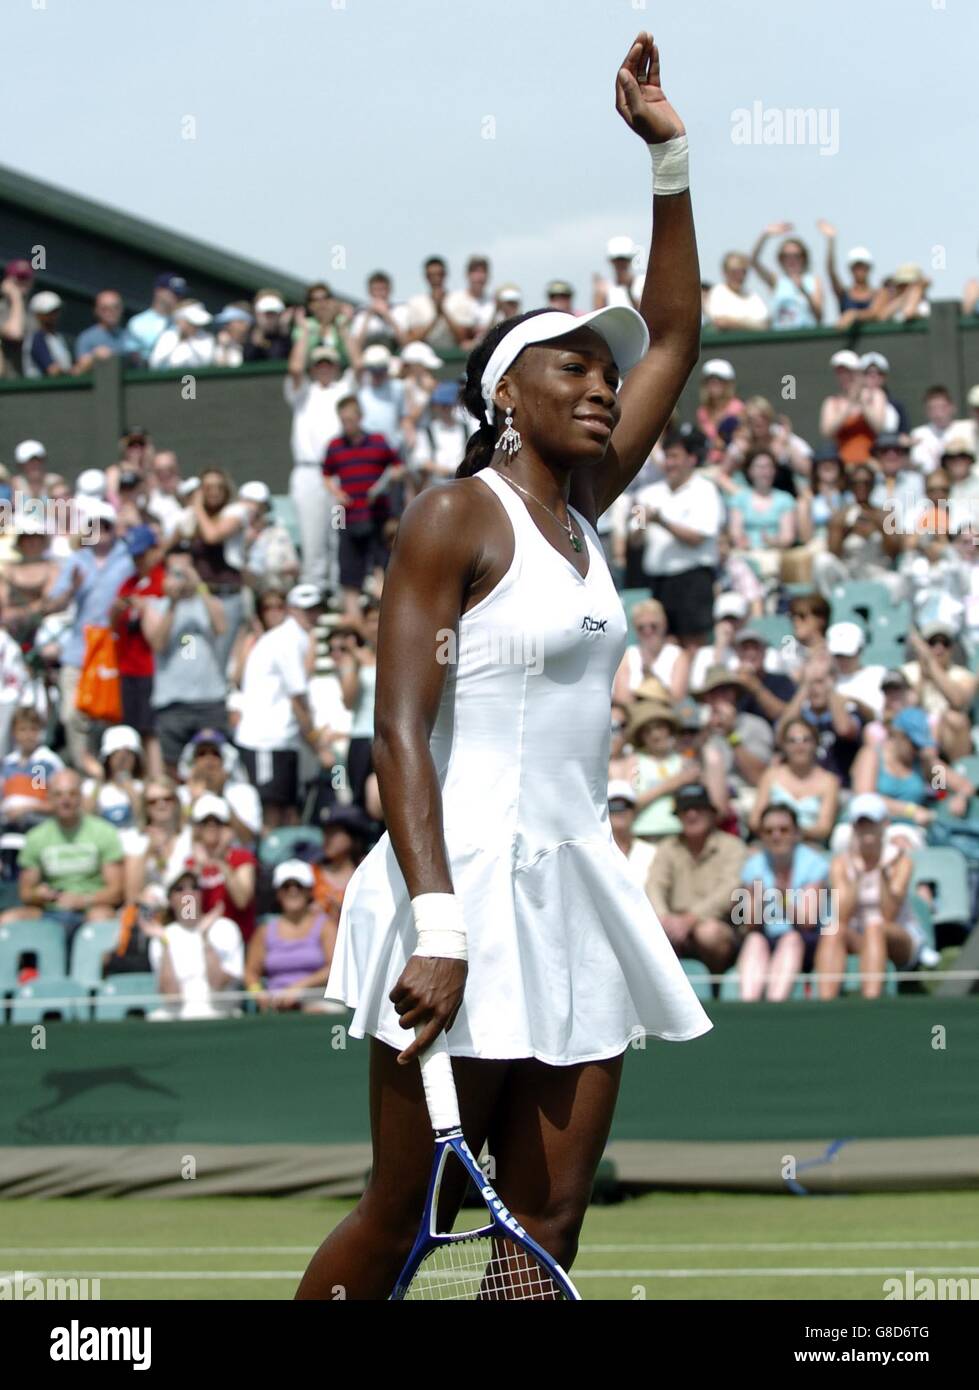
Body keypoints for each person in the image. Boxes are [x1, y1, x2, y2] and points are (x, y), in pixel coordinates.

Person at [297, 34, 709, 1300]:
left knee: (549, 1224)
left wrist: (668, 155)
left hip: (576, 885)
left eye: (604, 370)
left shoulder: (586, 513)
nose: (600, 386)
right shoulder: (449, 517)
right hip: (457, 887)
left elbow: (679, 330)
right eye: (570, 368)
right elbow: (400, 735)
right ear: (506, 393)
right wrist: (437, 922)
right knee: (403, 1218)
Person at [816, 793, 923, 1000]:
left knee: (875, 927)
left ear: (884, 824)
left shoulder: (901, 862)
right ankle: (825, 1005)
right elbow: (843, 916)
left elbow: (889, 914)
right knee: (832, 930)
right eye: (861, 824)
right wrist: (857, 873)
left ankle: (870, 1003)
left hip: (899, 938)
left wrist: (881, 871)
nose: (867, 830)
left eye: (871, 823)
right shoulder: (840, 863)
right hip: (859, 935)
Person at [235, 583, 322, 827]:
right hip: (266, 739)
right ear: (292, 610)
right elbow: (298, 699)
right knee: (271, 810)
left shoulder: (292, 638)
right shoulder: (287, 640)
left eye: (316, 609)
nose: (313, 615)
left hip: (279, 739)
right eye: (307, 610)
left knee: (285, 808)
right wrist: (317, 742)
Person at [634, 426, 723, 648]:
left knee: (694, 643)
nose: (669, 463)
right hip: (658, 583)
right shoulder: (645, 494)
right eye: (667, 457)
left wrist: (661, 521)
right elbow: (634, 541)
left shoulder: (706, 490)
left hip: (693, 580)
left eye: (675, 456)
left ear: (691, 459)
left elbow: (698, 538)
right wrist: (643, 523)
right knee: (664, 645)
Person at [142, 547, 228, 775]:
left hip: (209, 700)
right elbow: (157, 643)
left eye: (185, 570)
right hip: (173, 702)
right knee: (171, 771)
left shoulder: (208, 602)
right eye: (175, 572)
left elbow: (221, 627)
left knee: (213, 768)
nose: (180, 577)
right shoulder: (155, 607)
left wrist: (199, 585)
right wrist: (173, 603)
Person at [11, 769, 124, 942]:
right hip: (49, 910)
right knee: (9, 921)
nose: (66, 800)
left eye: (72, 794)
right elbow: (26, 892)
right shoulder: (36, 837)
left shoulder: (104, 832)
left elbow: (116, 891)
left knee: (102, 918)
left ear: (81, 797)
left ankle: (92, 968)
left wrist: (83, 900)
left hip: (90, 908)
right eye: (59, 794)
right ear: (49, 798)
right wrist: (39, 895)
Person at [646, 782, 744, 974]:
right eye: (685, 810)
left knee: (708, 933)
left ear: (711, 813)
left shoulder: (732, 847)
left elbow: (730, 890)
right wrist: (664, 917)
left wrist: (691, 919)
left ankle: (715, 989)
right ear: (678, 816)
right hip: (673, 927)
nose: (692, 815)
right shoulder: (667, 848)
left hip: (719, 927)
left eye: (698, 808)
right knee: (651, 932)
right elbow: (654, 885)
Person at [735, 804, 828, 1001]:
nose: (776, 836)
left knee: (790, 940)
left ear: (796, 833)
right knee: (754, 941)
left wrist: (782, 896)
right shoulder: (752, 866)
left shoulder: (814, 864)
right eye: (769, 831)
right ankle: (748, 1008)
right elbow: (750, 924)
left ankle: (775, 1007)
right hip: (767, 936)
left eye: (783, 830)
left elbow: (807, 922)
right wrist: (755, 901)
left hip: (804, 939)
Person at [284, 337, 355, 592]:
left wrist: (345, 330)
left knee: (339, 536)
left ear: (336, 367)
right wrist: (302, 332)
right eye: (319, 365)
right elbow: (294, 369)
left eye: (329, 364)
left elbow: (358, 365)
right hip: (308, 473)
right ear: (313, 368)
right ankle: (313, 595)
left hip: (338, 474)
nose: (324, 369)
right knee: (312, 538)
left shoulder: (344, 389)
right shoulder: (302, 392)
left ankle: (338, 594)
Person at [323, 397, 404, 620]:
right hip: (348, 515)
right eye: (343, 420)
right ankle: (354, 617)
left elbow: (397, 466)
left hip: (377, 514)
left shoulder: (378, 441)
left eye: (350, 419)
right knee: (349, 568)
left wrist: (384, 484)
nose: (347, 424)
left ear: (359, 418)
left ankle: (386, 615)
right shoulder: (335, 446)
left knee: (382, 563)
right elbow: (327, 475)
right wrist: (338, 494)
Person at [148, 863, 244, 1021]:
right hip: (177, 1019)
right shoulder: (162, 937)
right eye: (180, 889)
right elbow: (171, 996)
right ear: (170, 899)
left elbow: (218, 984)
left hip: (219, 1017)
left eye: (194, 887)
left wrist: (204, 937)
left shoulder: (226, 928)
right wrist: (165, 943)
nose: (188, 895)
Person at [244, 859, 337, 1011]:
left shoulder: (326, 926)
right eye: (286, 886)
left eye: (299, 886)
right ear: (278, 893)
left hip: (318, 1003)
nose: (293, 891)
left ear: (309, 891)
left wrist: (300, 987)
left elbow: (333, 968)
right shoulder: (264, 930)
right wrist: (259, 994)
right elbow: (251, 972)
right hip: (276, 1007)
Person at [110, 525, 166, 779]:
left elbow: (169, 632)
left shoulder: (162, 582)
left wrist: (144, 608)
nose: (138, 561)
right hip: (128, 666)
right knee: (131, 728)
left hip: (151, 668)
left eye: (142, 555)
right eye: (134, 556)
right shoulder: (128, 583)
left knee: (150, 729)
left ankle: (155, 778)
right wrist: (117, 609)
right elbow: (113, 626)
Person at [748, 718, 839, 846]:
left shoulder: (829, 781)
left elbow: (824, 828)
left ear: (816, 743)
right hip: (771, 843)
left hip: (810, 845)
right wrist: (778, 831)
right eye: (792, 741)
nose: (799, 746)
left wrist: (791, 832)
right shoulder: (771, 775)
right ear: (784, 745)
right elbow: (754, 821)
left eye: (805, 740)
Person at [334, 598, 379, 809]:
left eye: (379, 619)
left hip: (388, 736)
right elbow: (348, 701)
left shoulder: (399, 654)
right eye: (369, 620)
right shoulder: (354, 659)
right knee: (361, 802)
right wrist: (356, 662)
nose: (375, 626)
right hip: (362, 736)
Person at [611, 597, 686, 704]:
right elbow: (621, 697)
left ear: (664, 624)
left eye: (653, 626)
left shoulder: (677, 655)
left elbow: (677, 697)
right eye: (641, 627)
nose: (648, 631)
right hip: (634, 715)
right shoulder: (628, 655)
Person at [749, 225, 824, 329]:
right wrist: (765, 235)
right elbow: (753, 261)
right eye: (786, 256)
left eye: (796, 256)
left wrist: (804, 291)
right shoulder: (776, 281)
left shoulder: (813, 281)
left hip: (806, 336)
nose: (791, 260)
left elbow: (819, 316)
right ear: (781, 259)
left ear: (804, 258)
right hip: (781, 337)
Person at [816, 225, 877, 327]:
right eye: (856, 267)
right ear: (850, 269)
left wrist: (854, 315)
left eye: (863, 267)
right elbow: (831, 272)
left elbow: (876, 313)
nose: (859, 271)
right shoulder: (844, 294)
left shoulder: (878, 294)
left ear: (869, 268)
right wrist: (831, 240)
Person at [73, 290, 141, 372]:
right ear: (96, 311)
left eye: (115, 307)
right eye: (105, 308)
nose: (111, 312)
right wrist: (94, 357)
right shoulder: (86, 337)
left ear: (122, 309)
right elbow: (78, 371)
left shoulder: (130, 335)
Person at [126, 271, 188, 362]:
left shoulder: (185, 322)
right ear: (159, 291)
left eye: (180, 293)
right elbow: (131, 356)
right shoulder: (137, 322)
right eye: (174, 292)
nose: (178, 297)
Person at [703, 252, 769, 331]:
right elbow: (720, 322)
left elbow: (765, 324)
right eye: (734, 272)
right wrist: (750, 324)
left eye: (743, 272)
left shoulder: (753, 296)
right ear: (725, 272)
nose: (739, 276)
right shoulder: (718, 293)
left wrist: (735, 322)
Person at [23, 291, 73, 376]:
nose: (54, 315)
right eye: (49, 312)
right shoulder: (37, 338)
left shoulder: (58, 337)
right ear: (38, 315)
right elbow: (52, 370)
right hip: (40, 388)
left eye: (56, 311)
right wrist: (75, 371)